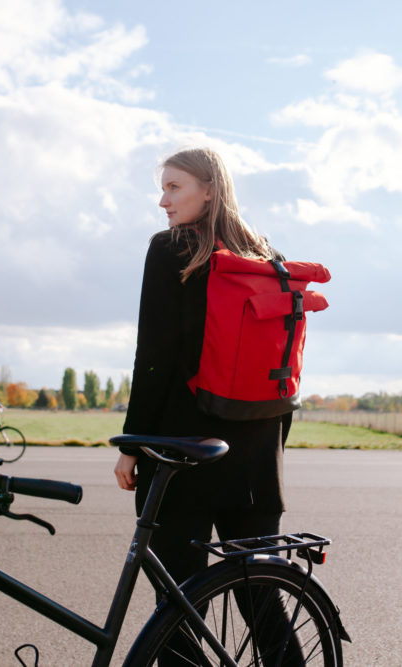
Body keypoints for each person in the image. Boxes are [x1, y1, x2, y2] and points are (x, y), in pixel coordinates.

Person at [114, 147, 294, 591]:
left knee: (179, 611)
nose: (163, 202)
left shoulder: (171, 249)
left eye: (174, 187)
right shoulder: (268, 257)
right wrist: (270, 449)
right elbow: (282, 364)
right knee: (262, 603)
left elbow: (153, 357)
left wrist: (133, 444)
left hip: (185, 457)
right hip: (255, 464)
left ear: (210, 191)